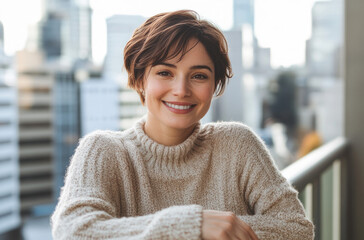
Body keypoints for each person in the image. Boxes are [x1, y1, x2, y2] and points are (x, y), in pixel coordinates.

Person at [51, 10, 314, 240]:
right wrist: (193, 225)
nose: (181, 90)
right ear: (140, 80)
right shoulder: (104, 150)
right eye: (165, 72)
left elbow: (296, 229)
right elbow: (72, 232)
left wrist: (222, 227)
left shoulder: (237, 143)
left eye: (199, 76)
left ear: (214, 86)